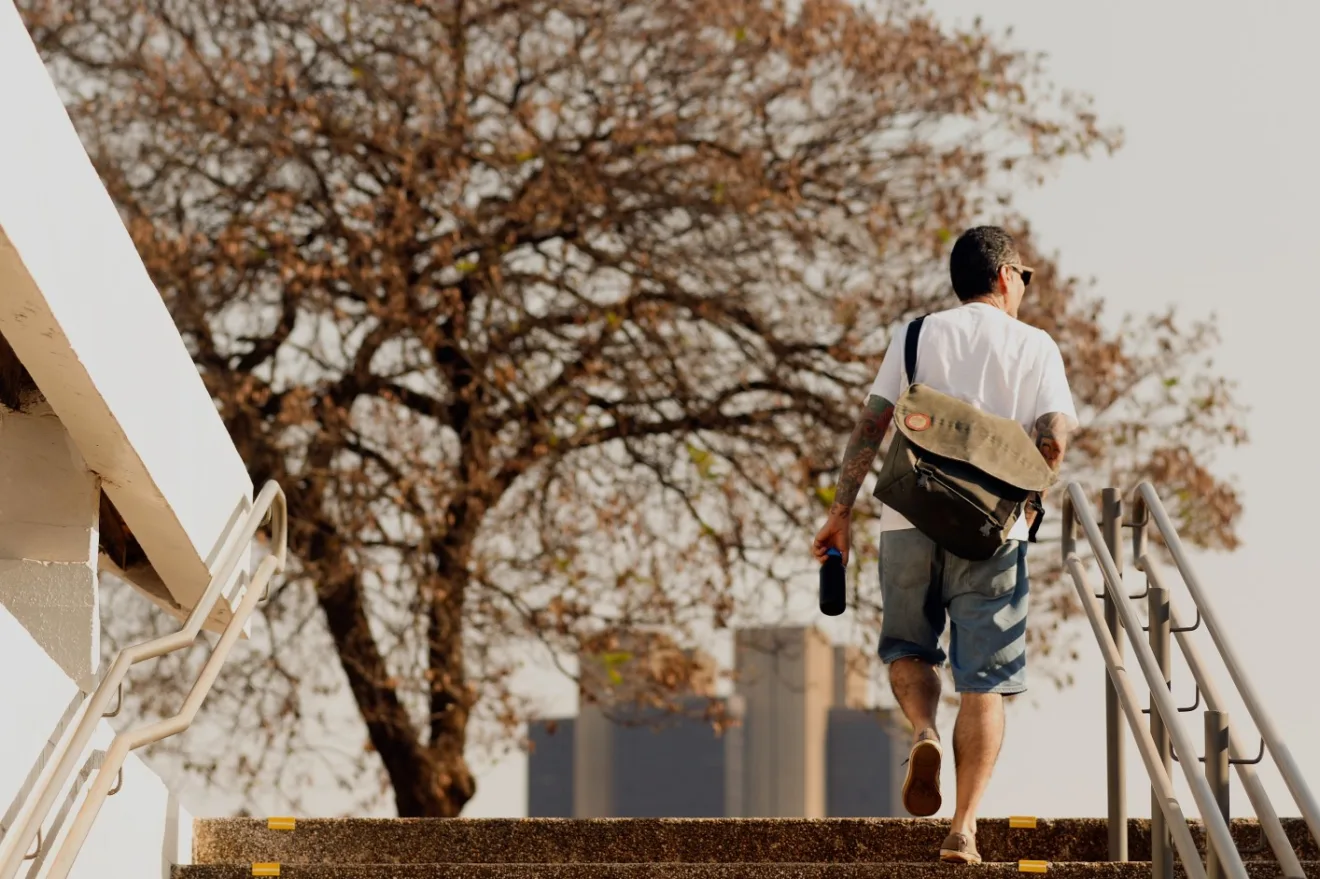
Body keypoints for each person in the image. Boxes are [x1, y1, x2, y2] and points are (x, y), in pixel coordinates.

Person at [811, 226, 1077, 865]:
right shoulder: (1036, 347)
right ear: (1007, 275)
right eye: (1026, 278)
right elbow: (1056, 436)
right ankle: (963, 829)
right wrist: (1030, 496)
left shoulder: (916, 334)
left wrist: (840, 512)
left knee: (907, 648)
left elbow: (873, 422)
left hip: (908, 518)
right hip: (993, 533)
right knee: (984, 682)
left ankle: (924, 732)